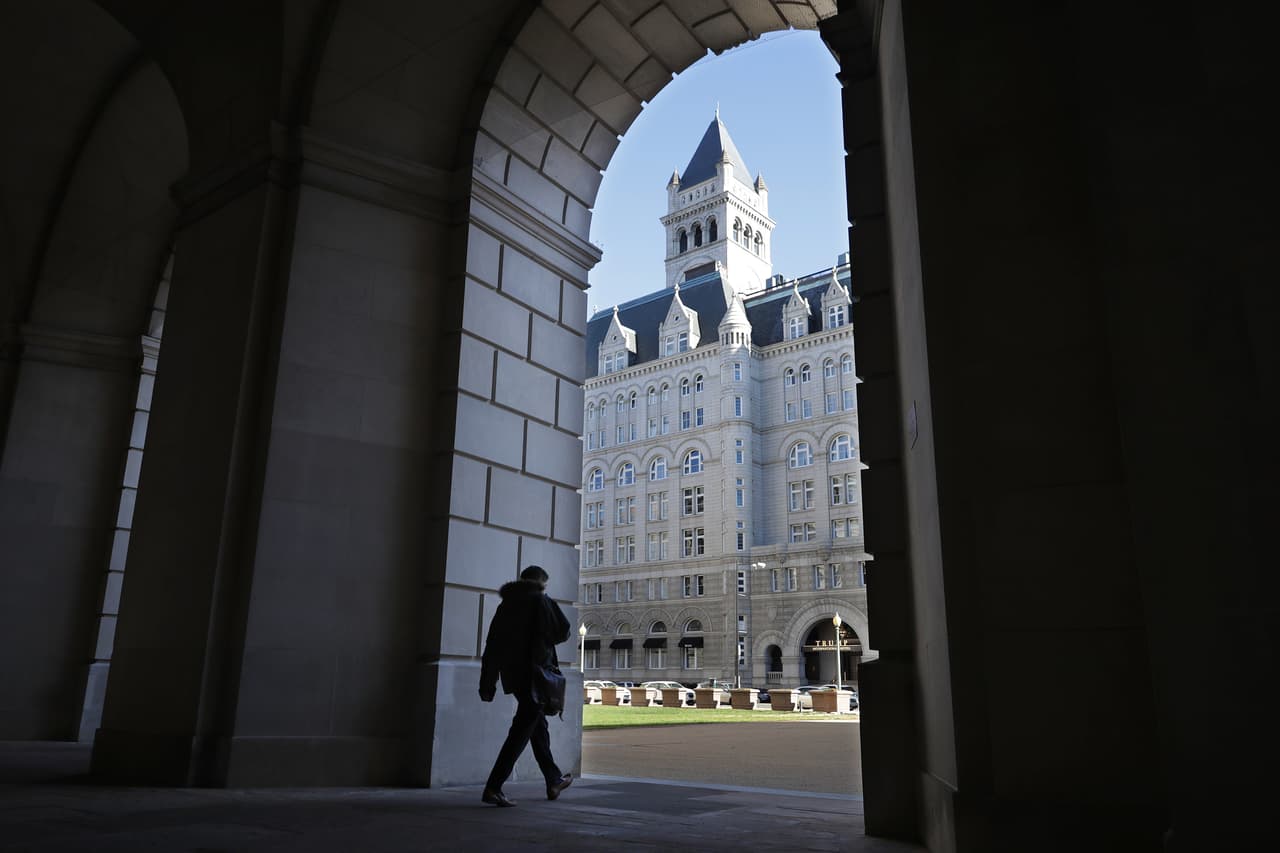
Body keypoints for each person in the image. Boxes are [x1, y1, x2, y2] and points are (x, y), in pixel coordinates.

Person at [478, 565, 573, 807]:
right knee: (520, 732)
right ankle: (493, 787)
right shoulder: (540, 601)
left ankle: (553, 779)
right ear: (542, 583)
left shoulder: (506, 605)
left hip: (515, 677)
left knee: (537, 725)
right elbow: (563, 631)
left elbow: (493, 646)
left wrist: (487, 683)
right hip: (536, 675)